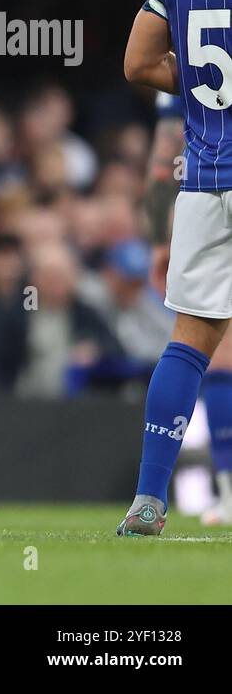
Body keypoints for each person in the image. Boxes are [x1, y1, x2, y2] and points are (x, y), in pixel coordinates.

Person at [118, 0, 232, 536]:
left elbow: (137, 64)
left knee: (190, 345)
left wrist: (195, 83)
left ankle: (149, 499)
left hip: (205, 181)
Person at [140, 91, 232, 526]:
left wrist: (161, 237)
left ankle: (149, 500)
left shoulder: (181, 26)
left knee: (200, 343)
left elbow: (165, 153)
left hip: (208, 188)